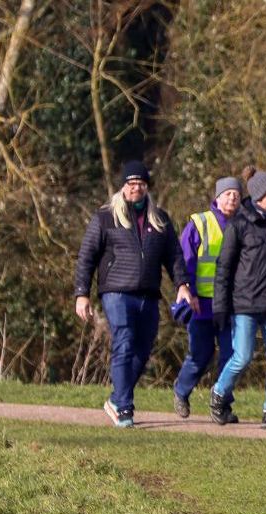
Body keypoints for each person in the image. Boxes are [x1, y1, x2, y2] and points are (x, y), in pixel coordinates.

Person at [73, 160, 195, 428]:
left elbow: (174, 256)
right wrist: (82, 293)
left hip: (148, 294)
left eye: (140, 183)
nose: (135, 188)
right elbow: (86, 257)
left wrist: (182, 285)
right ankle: (125, 408)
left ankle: (116, 399)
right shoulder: (105, 217)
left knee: (143, 348)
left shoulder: (160, 218)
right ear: (123, 187)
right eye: (131, 183)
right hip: (116, 291)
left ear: (147, 186)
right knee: (124, 341)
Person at [211, 168, 266, 429]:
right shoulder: (239, 226)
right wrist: (220, 307)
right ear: (260, 195)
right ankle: (218, 394)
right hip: (245, 304)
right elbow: (224, 269)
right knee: (242, 356)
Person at [171, 176, 242, 421]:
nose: (232, 198)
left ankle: (222, 404)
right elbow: (185, 258)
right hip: (201, 303)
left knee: (231, 356)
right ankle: (181, 391)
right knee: (201, 355)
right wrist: (187, 290)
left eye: (236, 194)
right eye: (227, 194)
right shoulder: (199, 223)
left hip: (230, 304)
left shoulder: (244, 224)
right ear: (217, 196)